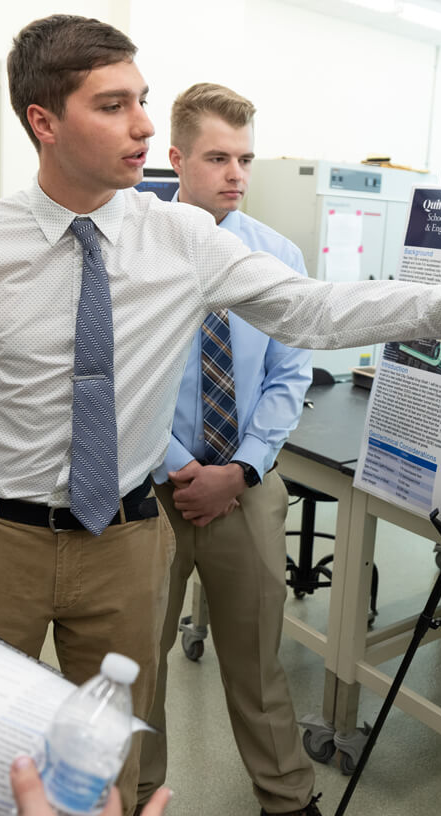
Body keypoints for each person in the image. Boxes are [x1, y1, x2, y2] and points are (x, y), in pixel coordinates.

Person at [0, 13, 441, 815]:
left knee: (108, 755)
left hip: (125, 541)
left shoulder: (179, 236)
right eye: (112, 106)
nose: (143, 124)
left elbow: (312, 310)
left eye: (141, 100)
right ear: (44, 121)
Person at [135, 82, 319, 816]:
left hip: (245, 483)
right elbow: (121, 380)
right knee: (138, 662)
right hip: (149, 489)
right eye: (217, 157)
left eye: (245, 158)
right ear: (176, 158)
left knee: (256, 657)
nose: (236, 174)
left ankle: (287, 795)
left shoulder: (275, 253)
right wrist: (178, 466)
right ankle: (141, 793)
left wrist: (239, 470)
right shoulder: (134, 249)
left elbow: (291, 370)